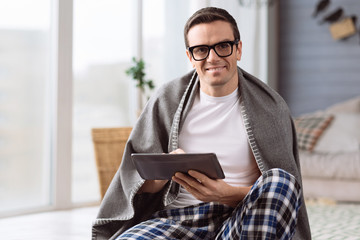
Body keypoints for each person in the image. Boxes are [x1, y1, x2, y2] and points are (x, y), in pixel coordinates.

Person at [92, 7, 311, 240]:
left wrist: (226, 194)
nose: (212, 57)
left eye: (223, 46)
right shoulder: (167, 99)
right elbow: (139, 186)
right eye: (201, 50)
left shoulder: (270, 106)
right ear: (190, 56)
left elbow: (283, 195)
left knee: (282, 181)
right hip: (176, 219)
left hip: (241, 219)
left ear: (238, 49)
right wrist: (164, 171)